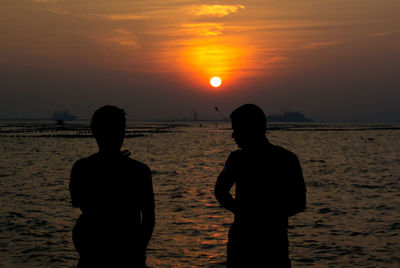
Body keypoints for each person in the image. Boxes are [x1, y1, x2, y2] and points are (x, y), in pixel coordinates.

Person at [214, 104, 306, 267]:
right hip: (264, 240)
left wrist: (251, 214)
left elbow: (220, 191)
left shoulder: (239, 159)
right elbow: (299, 202)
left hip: (260, 241)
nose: (233, 135)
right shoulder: (287, 158)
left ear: (250, 129)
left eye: (237, 129)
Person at [69, 105, 155, 267]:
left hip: (98, 255)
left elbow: (79, 203)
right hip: (113, 255)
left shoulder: (82, 168)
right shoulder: (139, 170)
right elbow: (149, 219)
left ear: (94, 132)